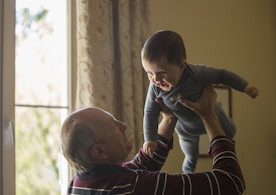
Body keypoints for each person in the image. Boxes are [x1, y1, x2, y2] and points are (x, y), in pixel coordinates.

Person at [61, 86, 245, 195]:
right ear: (99, 152)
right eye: (113, 125)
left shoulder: (79, 183)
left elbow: (142, 164)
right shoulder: (134, 186)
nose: (123, 125)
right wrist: (209, 116)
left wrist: (168, 119)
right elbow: (230, 182)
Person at [142, 29, 259, 173]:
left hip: (213, 114)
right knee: (191, 155)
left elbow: (222, 75)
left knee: (230, 133)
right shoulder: (155, 88)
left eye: (162, 73)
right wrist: (150, 139)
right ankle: (188, 173)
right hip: (186, 129)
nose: (155, 79)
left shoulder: (196, 74)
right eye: (149, 73)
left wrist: (245, 86)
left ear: (182, 66)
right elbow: (149, 113)